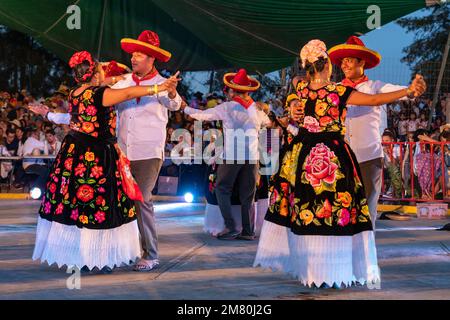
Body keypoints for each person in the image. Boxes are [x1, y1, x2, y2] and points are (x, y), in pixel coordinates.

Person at [254, 39, 425, 289]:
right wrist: (407, 91)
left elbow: (295, 82)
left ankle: (312, 269)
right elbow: (376, 101)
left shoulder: (304, 86)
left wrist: (293, 101)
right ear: (328, 67)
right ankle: (334, 267)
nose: (342, 65)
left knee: (307, 209)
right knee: (336, 212)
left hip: (304, 157)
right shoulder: (337, 91)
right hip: (332, 158)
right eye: (338, 62)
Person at [36, 30, 183, 272]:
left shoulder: (163, 83)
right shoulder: (122, 81)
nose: (134, 59)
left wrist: (170, 90)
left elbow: (175, 104)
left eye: (139, 55)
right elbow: (85, 110)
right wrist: (50, 113)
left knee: (141, 198)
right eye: (133, 54)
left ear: (151, 58)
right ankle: (119, 252)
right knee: (116, 203)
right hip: (120, 151)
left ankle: (150, 253)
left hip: (148, 151)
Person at [327, 36, 426, 227]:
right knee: (342, 209)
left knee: (367, 208)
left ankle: (365, 251)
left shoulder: (375, 87)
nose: (345, 65)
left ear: (361, 62)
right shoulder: (336, 89)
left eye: (349, 60)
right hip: (341, 157)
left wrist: (411, 90)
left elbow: (400, 92)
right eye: (343, 61)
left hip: (368, 156)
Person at [181, 69, 271, 240]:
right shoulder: (255, 109)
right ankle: (248, 231)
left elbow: (201, 115)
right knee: (248, 195)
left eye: (229, 90)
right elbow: (267, 122)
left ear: (234, 90)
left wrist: (184, 108)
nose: (228, 93)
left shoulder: (227, 107)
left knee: (222, 189)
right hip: (252, 157)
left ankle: (230, 227)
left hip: (232, 156)